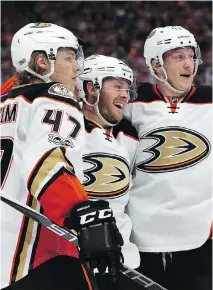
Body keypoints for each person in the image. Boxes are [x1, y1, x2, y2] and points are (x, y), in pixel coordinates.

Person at [0, 23, 123, 290]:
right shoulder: (55, 96)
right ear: (42, 62)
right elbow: (45, 159)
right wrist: (81, 214)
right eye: (68, 58)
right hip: (41, 255)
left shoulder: (5, 103)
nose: (77, 68)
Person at [124, 26, 212, 290]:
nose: (189, 64)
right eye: (178, 57)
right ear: (156, 64)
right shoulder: (130, 103)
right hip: (140, 239)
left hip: (200, 238)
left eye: (191, 55)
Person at [77, 54, 144, 290]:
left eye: (127, 88)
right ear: (90, 87)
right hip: (72, 259)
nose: (125, 95)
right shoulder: (64, 128)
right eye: (116, 86)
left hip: (124, 261)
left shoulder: (129, 136)